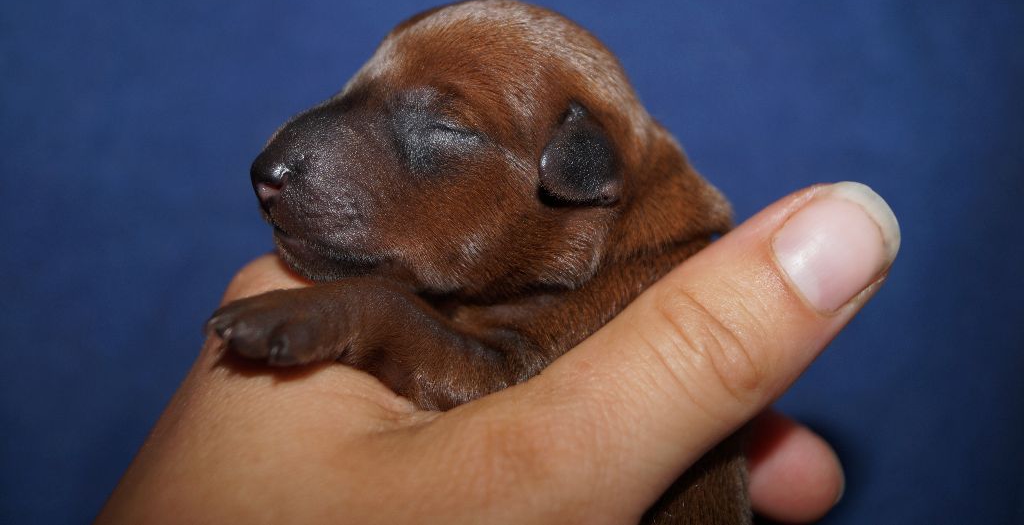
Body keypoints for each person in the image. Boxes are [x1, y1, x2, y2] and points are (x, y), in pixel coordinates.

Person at [97, 182, 899, 524]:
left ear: (576, 174)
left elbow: (497, 380)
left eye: (443, 130)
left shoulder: (637, 267)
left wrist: (362, 315)